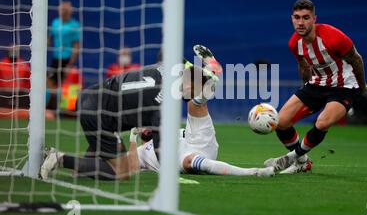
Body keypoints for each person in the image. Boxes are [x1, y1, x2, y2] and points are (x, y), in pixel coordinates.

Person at [40, 45, 272, 180]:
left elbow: (199, 78)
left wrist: (210, 63)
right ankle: (59, 159)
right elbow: (163, 154)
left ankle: (80, 166)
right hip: (100, 114)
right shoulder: (164, 106)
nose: (194, 95)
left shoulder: (172, 68)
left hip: (93, 97)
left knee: (114, 150)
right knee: (122, 171)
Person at [264, 0, 367, 174]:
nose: (301, 22)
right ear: (292, 19)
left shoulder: (334, 37)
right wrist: (305, 86)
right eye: (297, 17)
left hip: (344, 87)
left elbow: (356, 59)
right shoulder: (294, 43)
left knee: (322, 122)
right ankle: (302, 162)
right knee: (280, 122)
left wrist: (361, 84)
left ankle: (289, 158)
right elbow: (303, 65)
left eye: (306, 17)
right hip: (317, 84)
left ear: (314, 19)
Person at [127, 60, 274, 177]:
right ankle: (252, 172)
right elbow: (131, 168)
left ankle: (209, 80)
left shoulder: (168, 131)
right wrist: (133, 137)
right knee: (189, 161)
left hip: (198, 139)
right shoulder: (141, 150)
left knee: (193, 103)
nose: (145, 125)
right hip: (183, 158)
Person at [47, 1, 81, 88]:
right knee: (49, 83)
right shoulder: (55, 23)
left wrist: (70, 64)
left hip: (67, 60)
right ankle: (53, 100)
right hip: (56, 58)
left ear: (70, 11)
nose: (63, 11)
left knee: (65, 86)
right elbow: (49, 39)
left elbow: (76, 46)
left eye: (66, 10)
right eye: (62, 9)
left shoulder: (75, 25)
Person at [0, 44, 31, 110]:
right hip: (4, 93)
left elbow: (28, 81)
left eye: (15, 50)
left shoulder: (24, 64)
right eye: (11, 50)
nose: (13, 52)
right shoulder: (1, 64)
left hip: (20, 93)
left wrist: (26, 90)